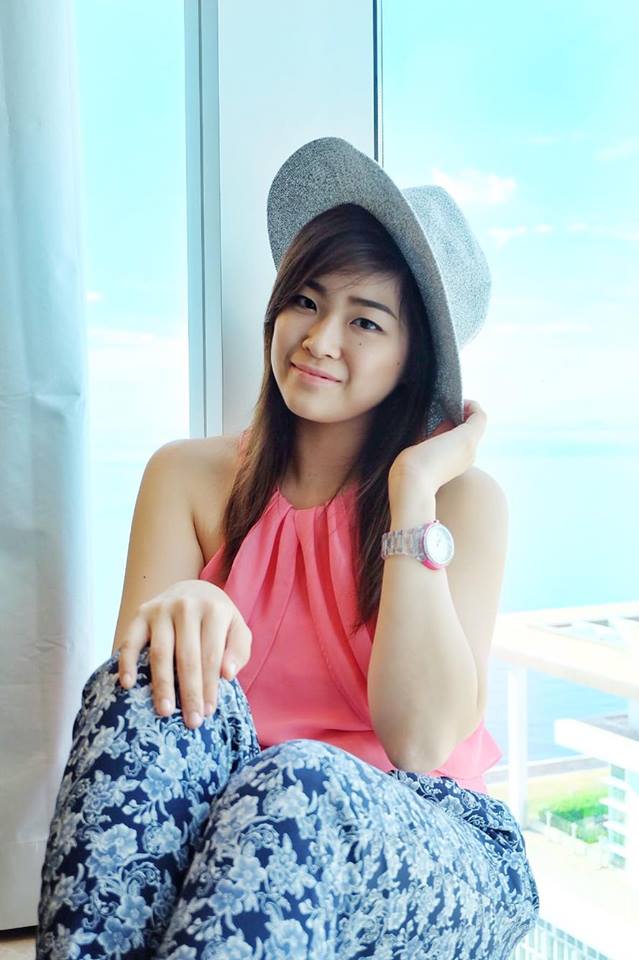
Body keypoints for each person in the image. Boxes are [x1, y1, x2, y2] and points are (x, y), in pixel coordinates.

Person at [35, 137, 540, 958]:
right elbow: (141, 729)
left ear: (414, 358)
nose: (318, 338)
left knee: (296, 778)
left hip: (434, 849)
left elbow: (419, 744)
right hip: (242, 840)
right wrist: (188, 600)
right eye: (305, 301)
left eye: (364, 320)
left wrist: (413, 488)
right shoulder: (187, 477)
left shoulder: (459, 503)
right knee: (147, 697)